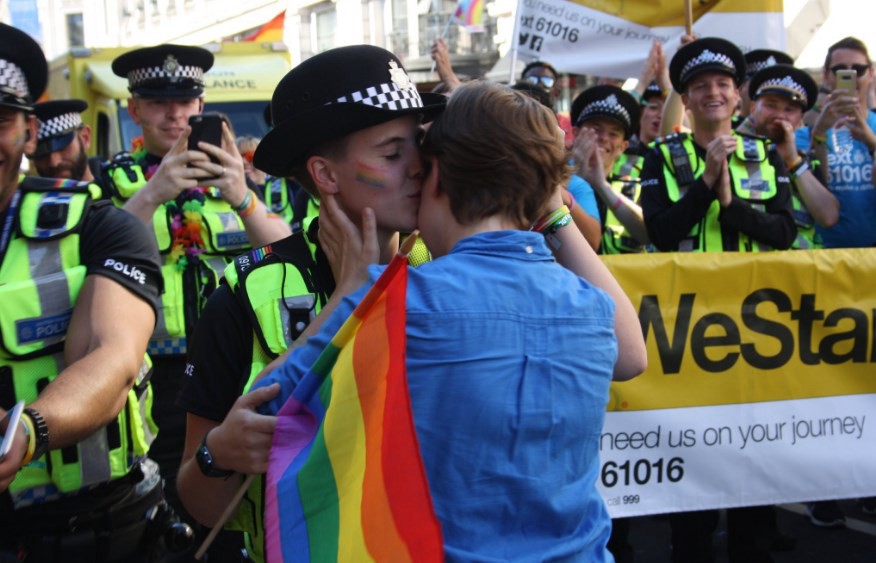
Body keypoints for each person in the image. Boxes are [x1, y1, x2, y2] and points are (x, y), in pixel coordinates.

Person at [253, 79, 646, 561]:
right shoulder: (589, 305)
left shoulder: (399, 304)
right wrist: (543, 201)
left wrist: (348, 295)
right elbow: (632, 355)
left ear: (435, 178)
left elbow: (263, 408)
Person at [175, 44, 447, 562]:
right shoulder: (246, 292)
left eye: (420, 145)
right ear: (324, 175)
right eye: (392, 154)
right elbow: (198, 499)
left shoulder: (450, 270)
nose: (418, 168)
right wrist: (220, 455)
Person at [0, 23, 182, 561]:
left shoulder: (98, 226)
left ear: (28, 133)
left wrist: (28, 431)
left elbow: (114, 357)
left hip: (100, 530)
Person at [104, 43, 290, 560]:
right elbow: (93, 265)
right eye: (158, 102)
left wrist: (241, 194)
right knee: (158, 511)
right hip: (150, 379)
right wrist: (153, 194)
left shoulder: (245, 182)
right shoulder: (113, 184)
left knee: (232, 514)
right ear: (134, 109)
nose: (175, 114)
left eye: (186, 102)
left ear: (202, 107)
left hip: (234, 372)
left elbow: (286, 251)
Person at [640, 37, 796, 563]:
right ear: (685, 96)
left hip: (754, 332)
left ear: (738, 97)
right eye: (700, 86)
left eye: (723, 85)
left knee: (753, 469)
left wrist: (730, 205)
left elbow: (784, 232)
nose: (713, 93)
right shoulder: (659, 156)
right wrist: (707, 182)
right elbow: (659, 233)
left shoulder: (764, 155)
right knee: (694, 479)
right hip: (688, 334)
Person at [795, 35, 876, 527]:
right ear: (826, 77)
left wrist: (867, 136)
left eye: (858, 68)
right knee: (826, 385)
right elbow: (816, 200)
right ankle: (822, 488)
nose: (849, 75)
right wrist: (821, 134)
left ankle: (866, 481)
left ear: (870, 74)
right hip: (827, 271)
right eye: (839, 69)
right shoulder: (808, 134)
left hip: (873, 272)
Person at [739, 63, 839, 249]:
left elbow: (829, 217)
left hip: (798, 271)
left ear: (800, 118)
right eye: (771, 105)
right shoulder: (729, 148)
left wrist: (793, 162)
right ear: (753, 108)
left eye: (789, 110)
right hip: (749, 270)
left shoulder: (804, 161)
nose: (779, 116)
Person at [570, 84, 650, 254]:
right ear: (576, 133)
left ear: (623, 146)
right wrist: (576, 180)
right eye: (596, 129)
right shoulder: (554, 173)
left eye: (614, 134)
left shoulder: (643, 172)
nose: (604, 138)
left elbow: (649, 234)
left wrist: (602, 186)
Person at [27, 98, 105, 185]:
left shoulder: (115, 194)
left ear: (85, 138)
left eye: (63, 147)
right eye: (42, 153)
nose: (54, 162)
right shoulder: (22, 197)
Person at [738, 49, 794, 120]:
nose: (766, 95)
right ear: (741, 88)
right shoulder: (725, 128)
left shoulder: (794, 131)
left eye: (776, 90)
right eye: (758, 86)